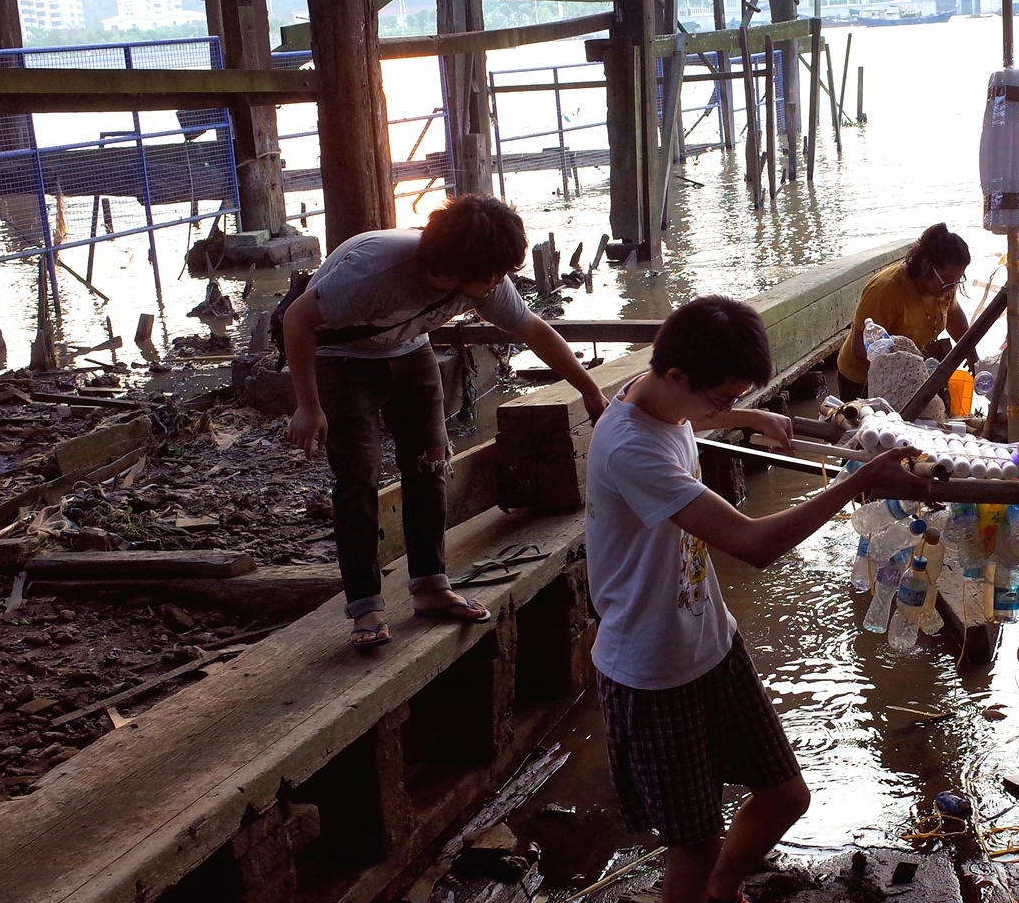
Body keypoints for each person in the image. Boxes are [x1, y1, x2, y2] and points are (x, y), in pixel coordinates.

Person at [586, 295, 920, 903]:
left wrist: (743, 419)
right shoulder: (630, 449)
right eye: (722, 397)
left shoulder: (657, 395)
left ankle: (723, 889)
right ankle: (707, 884)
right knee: (693, 841)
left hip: (709, 640)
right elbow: (752, 542)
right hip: (652, 669)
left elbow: (687, 416)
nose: (725, 405)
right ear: (678, 376)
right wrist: (859, 482)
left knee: (785, 795)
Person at [284, 195, 607, 650]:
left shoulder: (485, 278)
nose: (500, 283)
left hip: (411, 348)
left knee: (431, 463)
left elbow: (533, 330)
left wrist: (589, 390)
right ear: (454, 267)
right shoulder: (374, 273)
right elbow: (298, 319)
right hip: (341, 356)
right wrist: (308, 405)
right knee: (358, 476)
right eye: (493, 274)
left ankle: (432, 586)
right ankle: (365, 605)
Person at [835, 223, 972, 401]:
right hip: (864, 379)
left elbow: (954, 316)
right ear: (925, 266)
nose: (951, 288)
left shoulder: (943, 288)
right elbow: (860, 349)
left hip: (910, 369)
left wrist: (971, 353)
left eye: (957, 281)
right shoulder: (885, 290)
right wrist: (905, 375)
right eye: (947, 281)